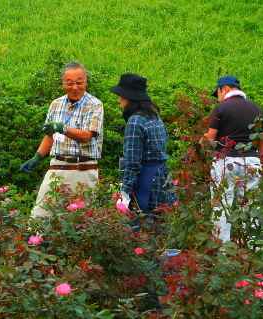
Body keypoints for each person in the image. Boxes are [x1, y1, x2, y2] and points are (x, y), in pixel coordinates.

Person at [20, 62, 104, 218]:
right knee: (40, 216)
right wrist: (37, 157)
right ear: (63, 83)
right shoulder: (56, 104)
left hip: (83, 169)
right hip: (57, 168)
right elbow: (50, 135)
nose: (75, 87)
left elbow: (87, 136)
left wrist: (63, 128)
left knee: (82, 221)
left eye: (79, 83)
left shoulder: (95, 105)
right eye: (70, 83)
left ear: (86, 82)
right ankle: (36, 241)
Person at [200, 75, 263, 243]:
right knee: (251, 205)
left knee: (221, 205)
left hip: (226, 162)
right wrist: (262, 160)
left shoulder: (221, 109)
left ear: (225, 89)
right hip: (252, 162)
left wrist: (202, 143)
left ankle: (222, 248)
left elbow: (210, 137)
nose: (218, 97)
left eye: (217, 93)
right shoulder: (256, 108)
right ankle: (253, 247)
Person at [111, 73, 175, 216]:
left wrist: (125, 193)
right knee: (160, 222)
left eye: (121, 96)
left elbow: (132, 162)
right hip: (161, 176)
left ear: (129, 98)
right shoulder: (154, 116)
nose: (119, 100)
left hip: (146, 180)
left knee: (142, 225)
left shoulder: (135, 121)